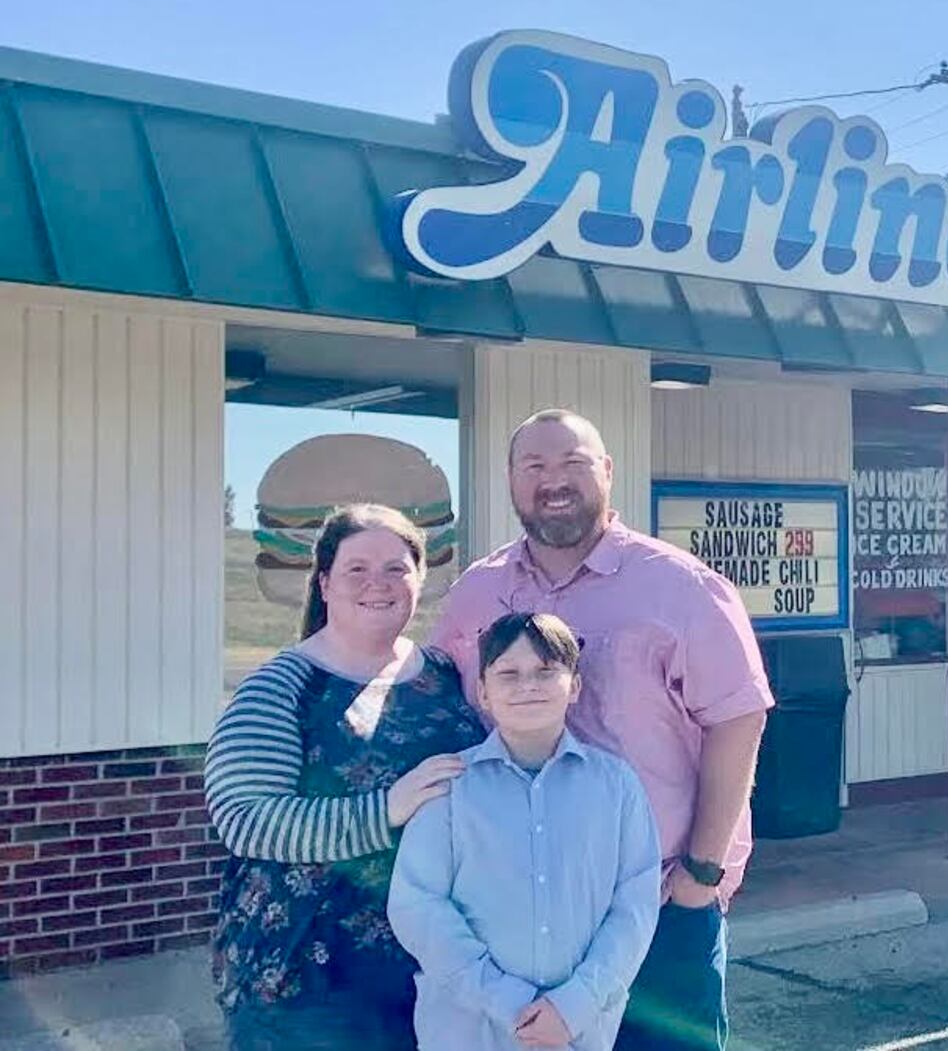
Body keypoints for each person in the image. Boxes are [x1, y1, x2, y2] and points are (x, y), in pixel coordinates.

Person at [432, 409, 772, 1051]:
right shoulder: (477, 594)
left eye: (573, 464)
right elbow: (445, 707)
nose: (552, 481)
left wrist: (702, 870)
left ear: (608, 473)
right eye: (534, 466)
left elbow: (739, 716)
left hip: (662, 902)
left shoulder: (681, 587)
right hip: (515, 908)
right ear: (510, 479)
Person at [206, 504, 486, 1051]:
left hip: (435, 964)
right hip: (306, 976)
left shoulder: (447, 676)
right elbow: (246, 821)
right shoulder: (284, 686)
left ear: (420, 581)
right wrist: (385, 809)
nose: (377, 584)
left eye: (396, 568)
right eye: (357, 569)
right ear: (325, 583)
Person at [388, 612, 660, 1051]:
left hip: (576, 1031)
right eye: (508, 674)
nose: (527, 685)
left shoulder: (616, 786)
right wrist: (506, 1000)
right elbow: (417, 904)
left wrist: (575, 1004)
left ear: (574, 687)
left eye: (545, 672)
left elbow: (636, 905)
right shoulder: (449, 787)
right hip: (468, 1027)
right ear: (483, 692)